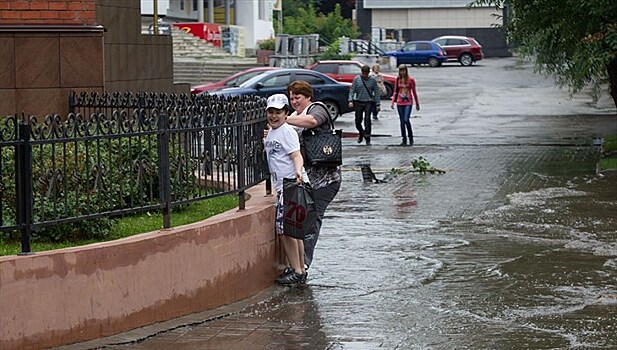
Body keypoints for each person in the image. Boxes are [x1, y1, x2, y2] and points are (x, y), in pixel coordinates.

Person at [285, 80, 342, 271]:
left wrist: (283, 119)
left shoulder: (318, 108)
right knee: (303, 219)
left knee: (312, 219)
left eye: (297, 97)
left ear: (308, 96)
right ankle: (299, 263)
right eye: (291, 98)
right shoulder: (294, 115)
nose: (294, 101)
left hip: (326, 179)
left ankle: (303, 264)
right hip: (307, 178)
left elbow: (312, 122)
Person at [263, 93, 310, 285]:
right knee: (292, 229)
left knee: (285, 231)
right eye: (271, 112)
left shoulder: (286, 131)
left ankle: (298, 270)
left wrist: (298, 172)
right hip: (283, 185)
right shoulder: (273, 132)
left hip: (290, 184)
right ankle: (300, 268)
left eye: (278, 112)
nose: (274, 116)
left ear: (286, 113)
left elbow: (296, 155)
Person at [348, 65, 381, 145]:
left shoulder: (372, 80)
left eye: (366, 73)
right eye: (363, 73)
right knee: (358, 121)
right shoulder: (357, 79)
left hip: (368, 102)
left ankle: (367, 137)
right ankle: (362, 133)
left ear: (368, 72)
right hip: (358, 101)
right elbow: (352, 90)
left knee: (367, 120)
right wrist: (350, 100)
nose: (365, 75)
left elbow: (376, 92)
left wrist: (377, 104)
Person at [391, 64, 420, 146]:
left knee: (406, 119)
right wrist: (393, 101)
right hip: (400, 102)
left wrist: (417, 103)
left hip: (408, 102)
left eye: (403, 70)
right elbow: (395, 91)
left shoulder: (410, 80)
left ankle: (410, 137)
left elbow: (414, 92)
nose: (402, 72)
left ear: (406, 71)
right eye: (400, 71)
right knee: (402, 121)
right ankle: (404, 139)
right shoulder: (398, 79)